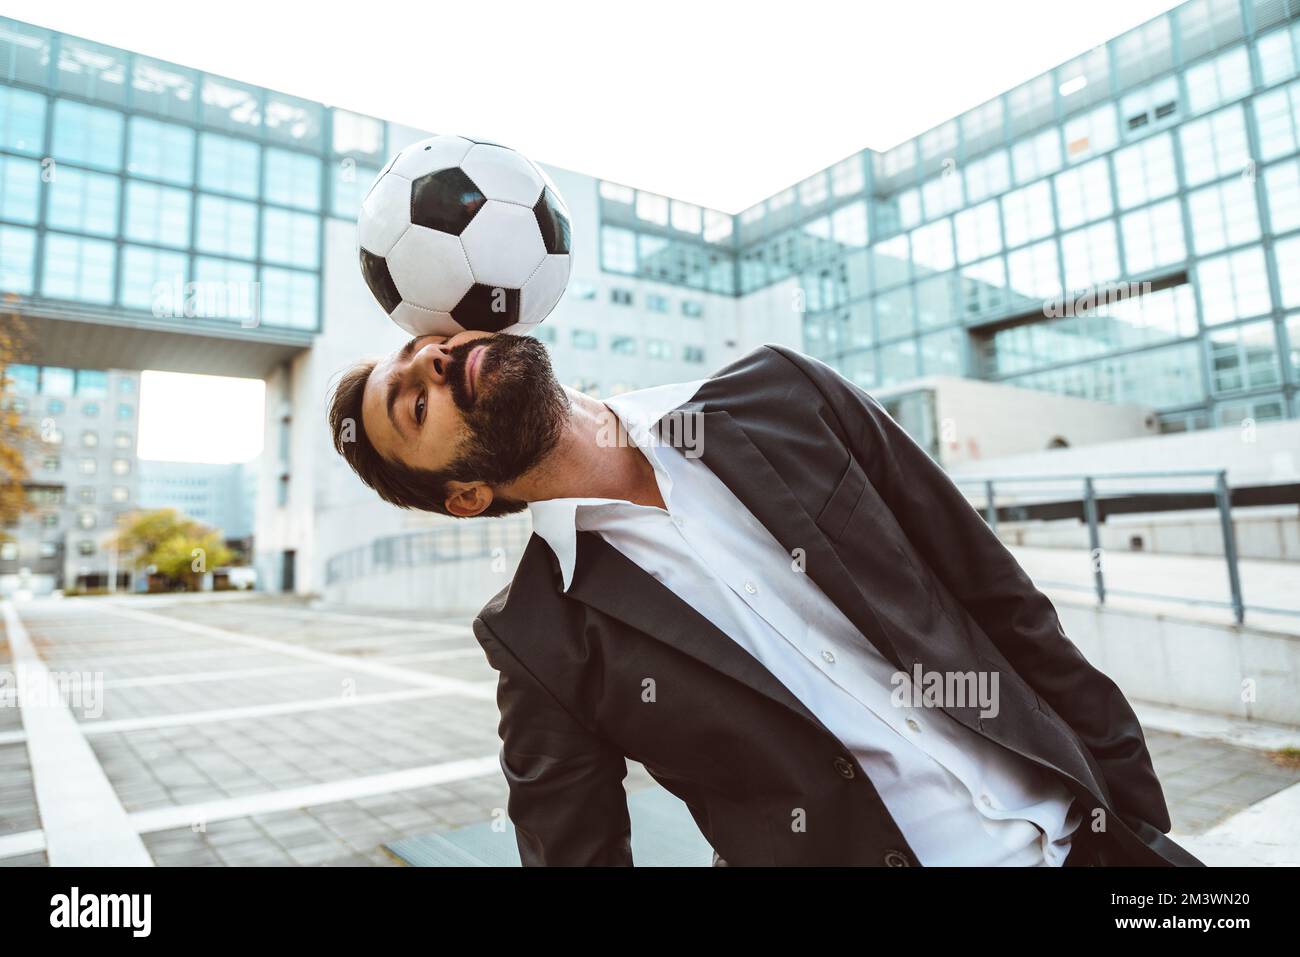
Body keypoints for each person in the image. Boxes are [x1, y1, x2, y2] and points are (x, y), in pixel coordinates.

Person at [327, 329, 1203, 867]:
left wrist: (1136, 822)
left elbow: (1006, 604)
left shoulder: (785, 396)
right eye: (412, 402)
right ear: (466, 495)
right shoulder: (537, 635)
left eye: (421, 348)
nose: (433, 362)